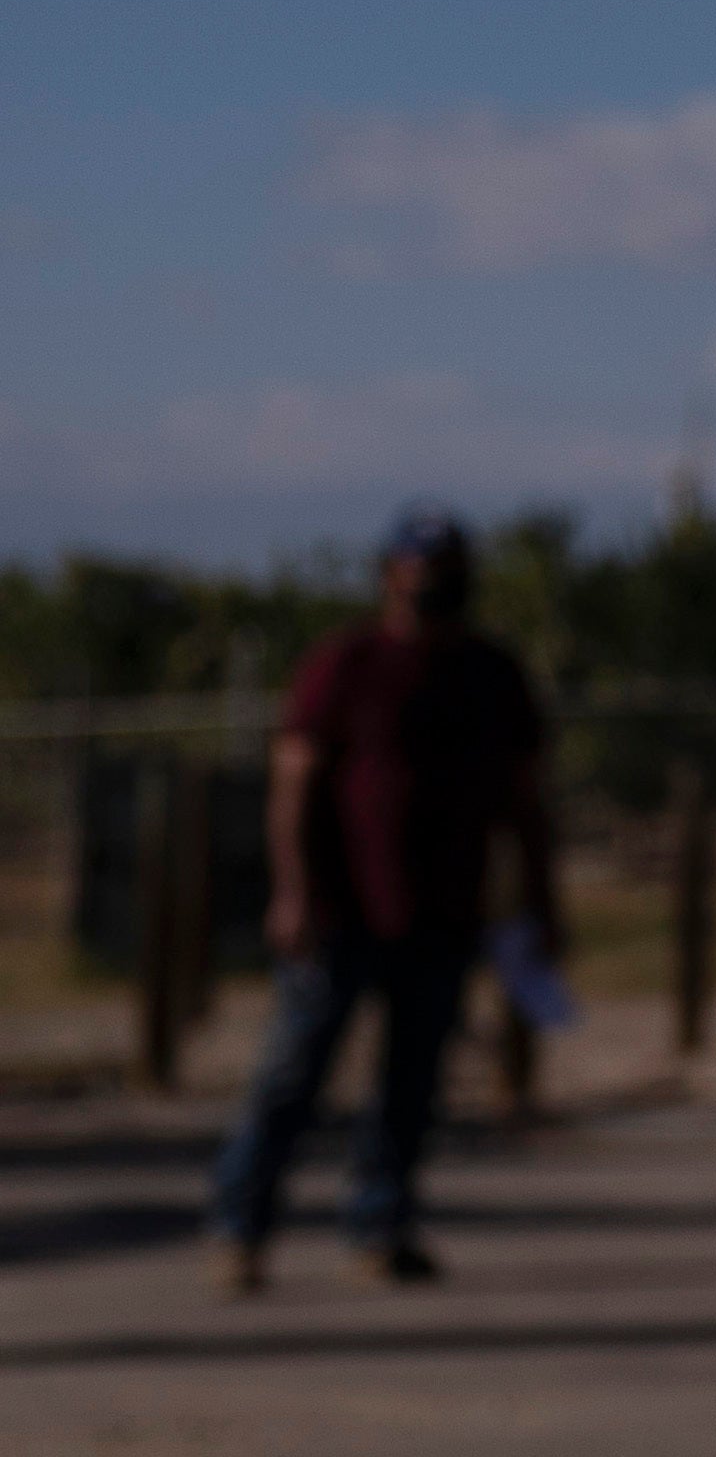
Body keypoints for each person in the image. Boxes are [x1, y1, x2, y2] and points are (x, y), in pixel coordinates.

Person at [210, 507, 559, 1292]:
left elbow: (527, 802)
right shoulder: (347, 663)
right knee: (292, 1078)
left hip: (442, 914)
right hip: (341, 913)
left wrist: (540, 905)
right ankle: (242, 1226)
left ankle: (380, 1223)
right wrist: (293, 893)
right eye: (419, 575)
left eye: (447, 575)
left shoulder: (491, 674)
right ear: (389, 577)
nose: (433, 591)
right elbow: (292, 786)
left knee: (412, 1085)